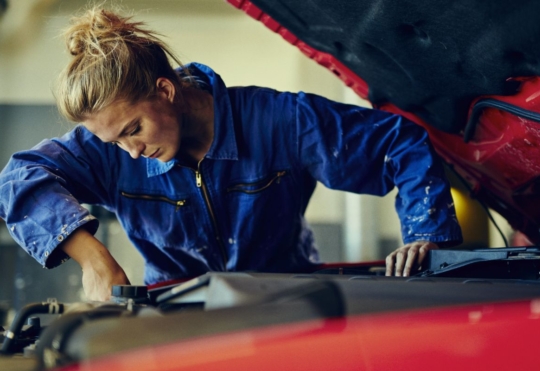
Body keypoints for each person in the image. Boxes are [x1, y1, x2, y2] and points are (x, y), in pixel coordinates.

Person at [0, 8, 462, 301]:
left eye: (133, 130)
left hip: (288, 307)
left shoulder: (281, 120)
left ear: (165, 90)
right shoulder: (108, 153)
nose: (132, 151)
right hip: (178, 317)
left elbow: (398, 141)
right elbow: (17, 179)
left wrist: (427, 233)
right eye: (115, 142)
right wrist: (96, 260)